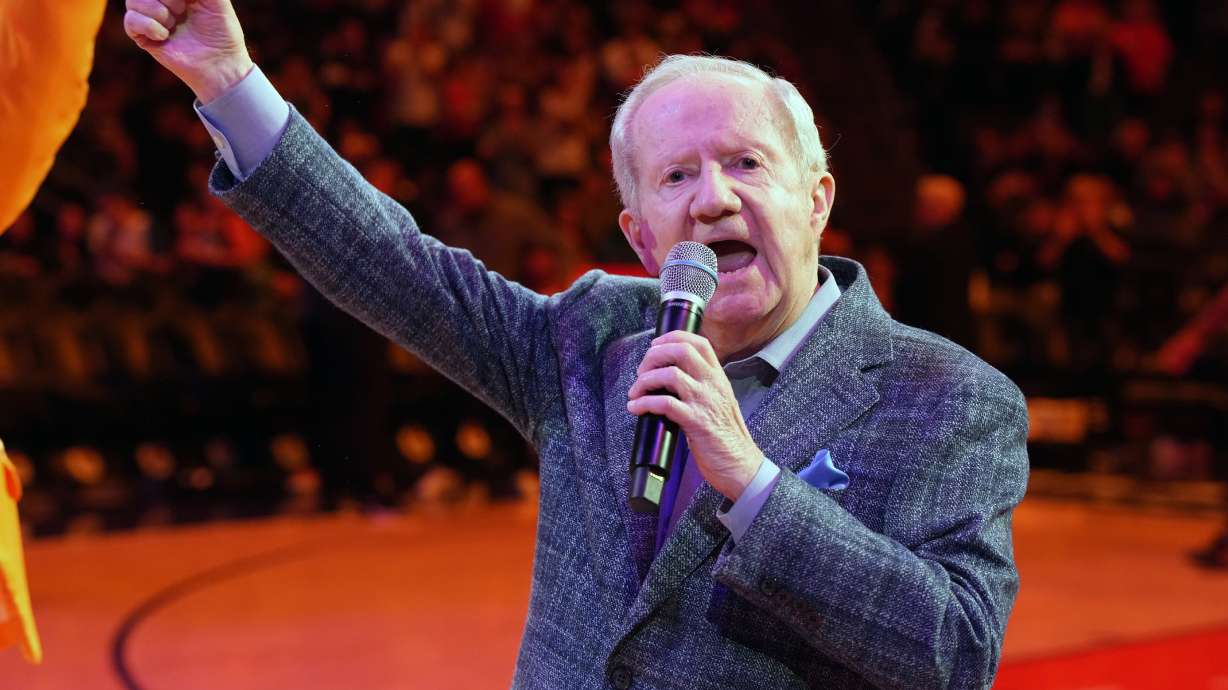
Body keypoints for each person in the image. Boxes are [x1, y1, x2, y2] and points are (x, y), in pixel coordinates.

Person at [124, 1, 1030, 687]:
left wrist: (755, 484)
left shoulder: (947, 396)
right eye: (678, 175)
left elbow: (953, 654)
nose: (713, 197)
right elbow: (395, 267)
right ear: (643, 237)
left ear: (818, 198)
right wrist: (227, 80)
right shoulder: (596, 333)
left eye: (746, 162)